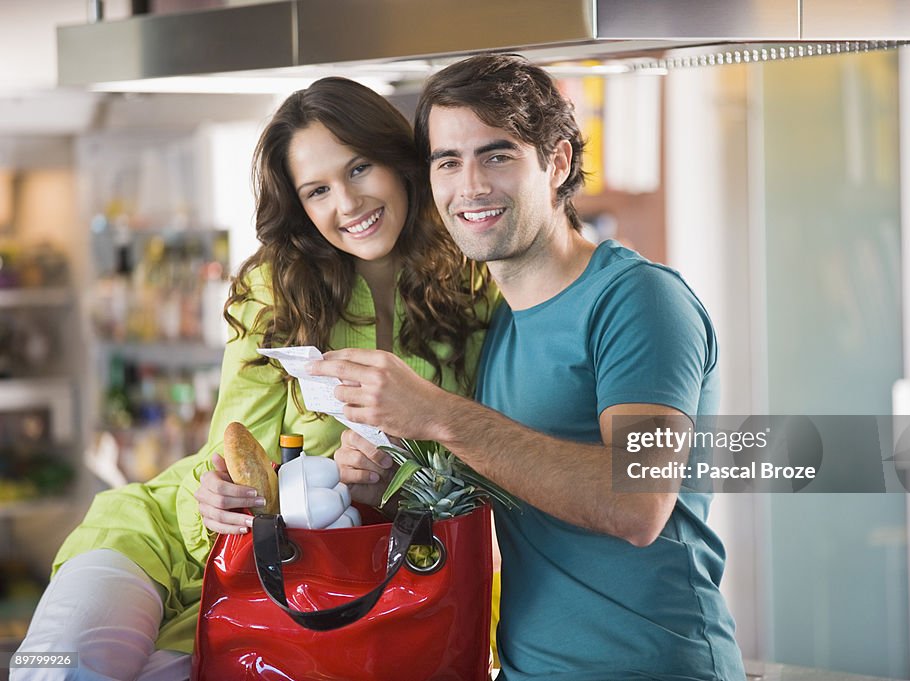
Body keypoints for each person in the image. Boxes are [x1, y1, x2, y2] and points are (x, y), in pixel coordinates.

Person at [14, 76, 493, 681]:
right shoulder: (276, 288)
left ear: (400, 162)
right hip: (166, 537)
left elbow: (488, 461)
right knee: (57, 668)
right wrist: (216, 495)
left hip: (313, 577)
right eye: (317, 190)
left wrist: (389, 483)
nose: (347, 204)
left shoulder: (478, 289)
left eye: (359, 168)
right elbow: (236, 449)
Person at [310, 54, 746, 680]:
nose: (470, 187)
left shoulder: (638, 299)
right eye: (447, 162)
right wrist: (381, 483)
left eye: (497, 156)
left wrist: (436, 414)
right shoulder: (499, 323)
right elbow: (517, 486)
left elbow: (638, 504)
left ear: (557, 162)